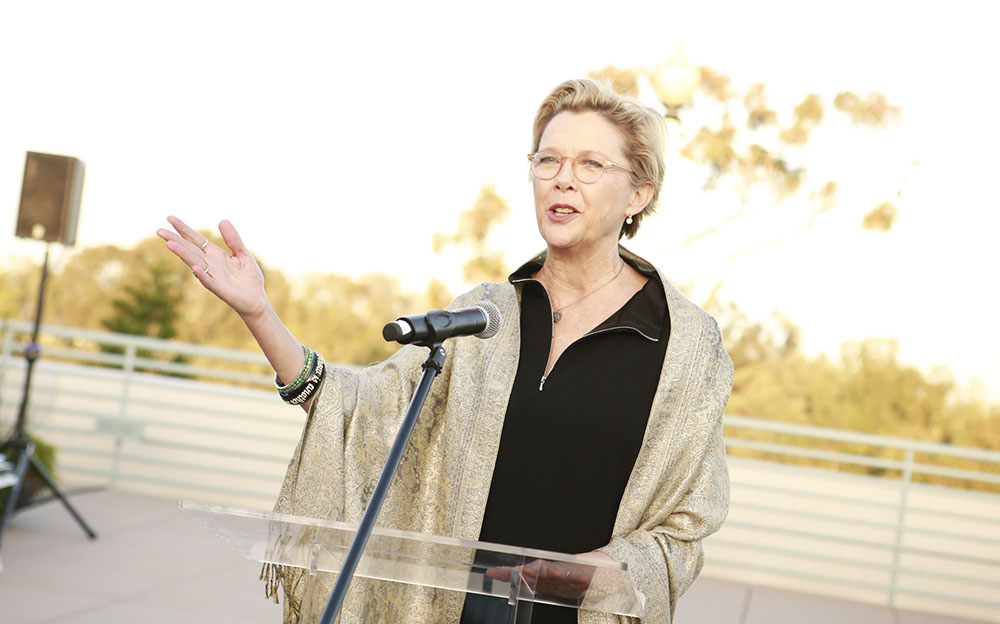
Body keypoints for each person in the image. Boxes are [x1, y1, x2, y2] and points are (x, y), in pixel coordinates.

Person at [157, 78, 733, 624]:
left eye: (590, 164)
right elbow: (363, 411)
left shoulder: (684, 345)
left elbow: (685, 524)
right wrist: (260, 312)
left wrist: (583, 576)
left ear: (639, 192)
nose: (562, 179)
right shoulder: (486, 315)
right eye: (548, 159)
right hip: (459, 611)